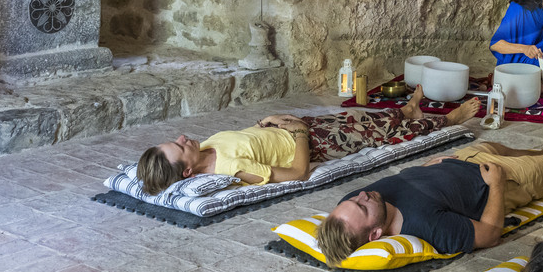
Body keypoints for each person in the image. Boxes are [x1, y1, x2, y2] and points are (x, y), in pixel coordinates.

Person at [317, 132, 543, 265]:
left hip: (462, 161)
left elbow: (402, 181)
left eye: (354, 199)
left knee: (495, 145)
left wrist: (428, 168)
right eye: (361, 206)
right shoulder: (426, 226)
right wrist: (496, 184)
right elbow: (491, 235)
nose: (361, 195)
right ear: (375, 234)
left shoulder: (358, 203)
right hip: (495, 180)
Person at [136, 87, 480, 196]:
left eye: (175, 139)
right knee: (384, 136)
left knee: (365, 117)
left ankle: (407, 110)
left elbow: (246, 138)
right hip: (314, 142)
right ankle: (448, 121)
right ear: (186, 173)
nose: (183, 138)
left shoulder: (205, 146)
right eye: (179, 146)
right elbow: (299, 172)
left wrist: (267, 122)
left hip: (296, 129)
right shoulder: (232, 169)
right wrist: (299, 131)